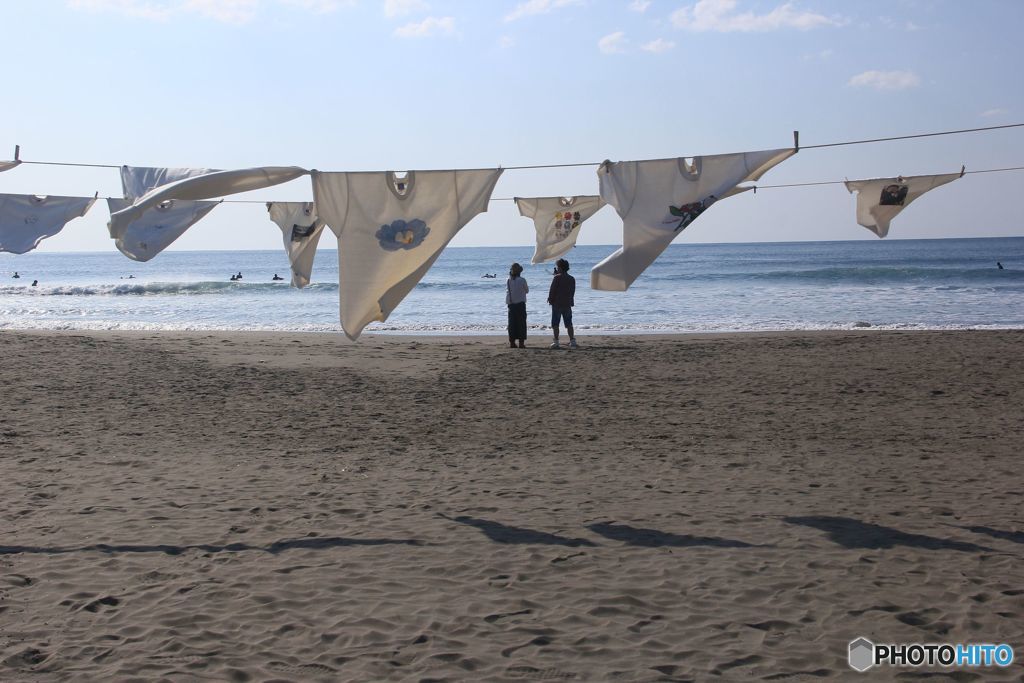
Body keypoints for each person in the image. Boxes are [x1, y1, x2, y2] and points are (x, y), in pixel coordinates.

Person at [548, 258, 577, 349]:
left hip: (557, 303)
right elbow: (572, 291)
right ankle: (572, 341)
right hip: (567, 303)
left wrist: (550, 299)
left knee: (555, 324)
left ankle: (556, 342)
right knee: (569, 323)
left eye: (558, 267)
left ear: (560, 267)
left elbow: (552, 290)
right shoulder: (571, 278)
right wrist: (571, 301)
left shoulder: (557, 278)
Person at [506, 262, 528, 348]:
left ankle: (512, 342)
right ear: (520, 272)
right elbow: (527, 291)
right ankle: (521, 343)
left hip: (511, 305)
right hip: (521, 304)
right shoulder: (522, 280)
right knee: (521, 324)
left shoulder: (508, 280)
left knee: (512, 324)